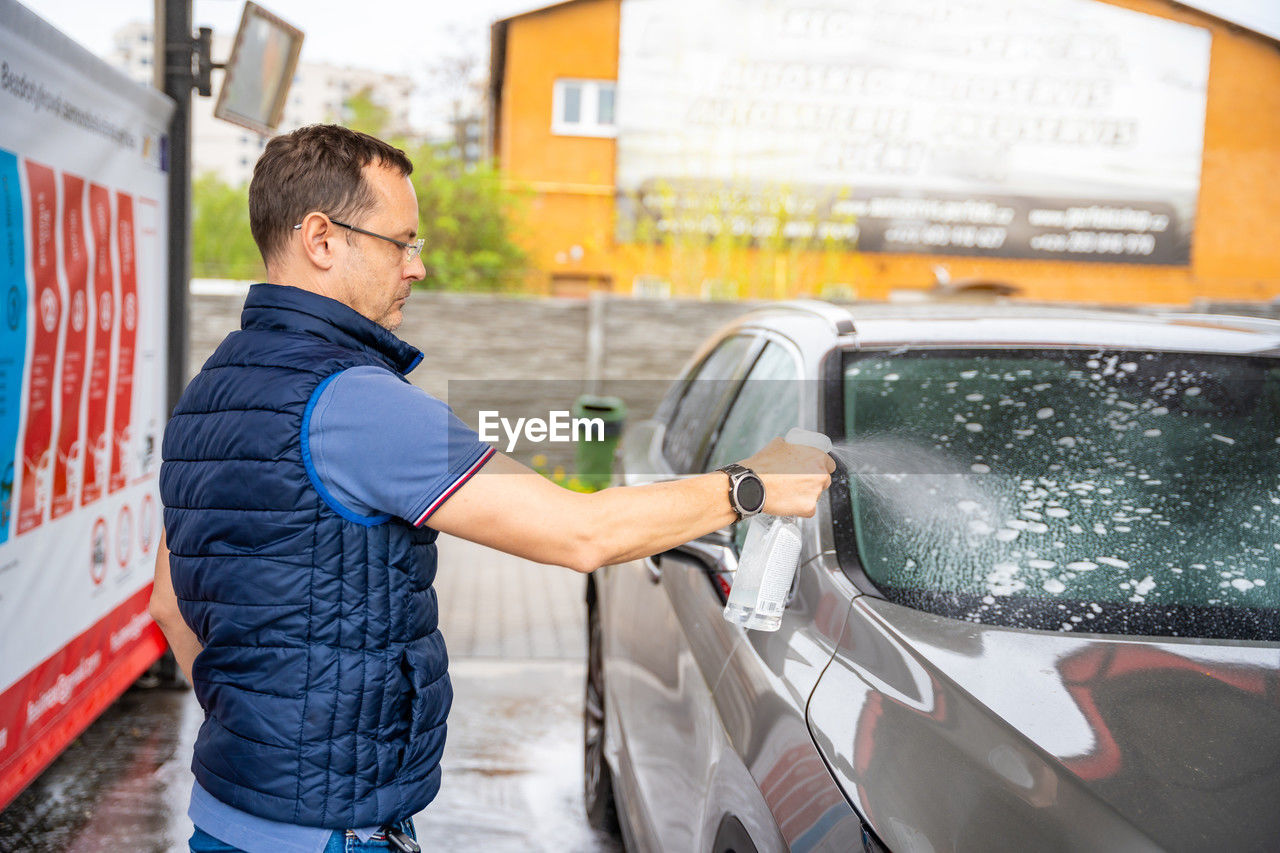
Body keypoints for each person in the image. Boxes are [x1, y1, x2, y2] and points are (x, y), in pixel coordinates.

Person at [148, 124, 834, 853]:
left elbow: (169, 601)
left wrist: (263, 737)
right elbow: (580, 532)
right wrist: (751, 486)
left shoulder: (210, 390)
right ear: (322, 238)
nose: (417, 266)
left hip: (223, 818)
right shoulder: (357, 402)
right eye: (401, 241)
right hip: (328, 837)